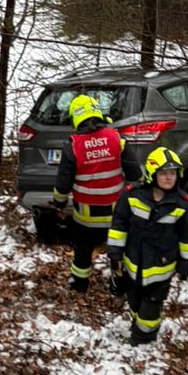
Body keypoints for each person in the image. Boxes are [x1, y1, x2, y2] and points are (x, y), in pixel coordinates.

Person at [105, 144, 188, 346]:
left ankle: (143, 340)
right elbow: (118, 228)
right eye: (164, 173)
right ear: (152, 174)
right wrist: (115, 255)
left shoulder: (183, 204)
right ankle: (139, 327)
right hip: (133, 266)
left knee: (150, 310)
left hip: (161, 270)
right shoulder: (131, 196)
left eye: (173, 173)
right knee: (135, 304)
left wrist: (185, 265)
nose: (169, 178)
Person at [52, 93, 126, 294]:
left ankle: (79, 285)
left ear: (75, 117)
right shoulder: (116, 137)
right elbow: (134, 173)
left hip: (86, 218)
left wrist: (59, 204)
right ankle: (119, 284)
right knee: (118, 250)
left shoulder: (73, 146)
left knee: (82, 250)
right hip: (116, 216)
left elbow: (63, 185)